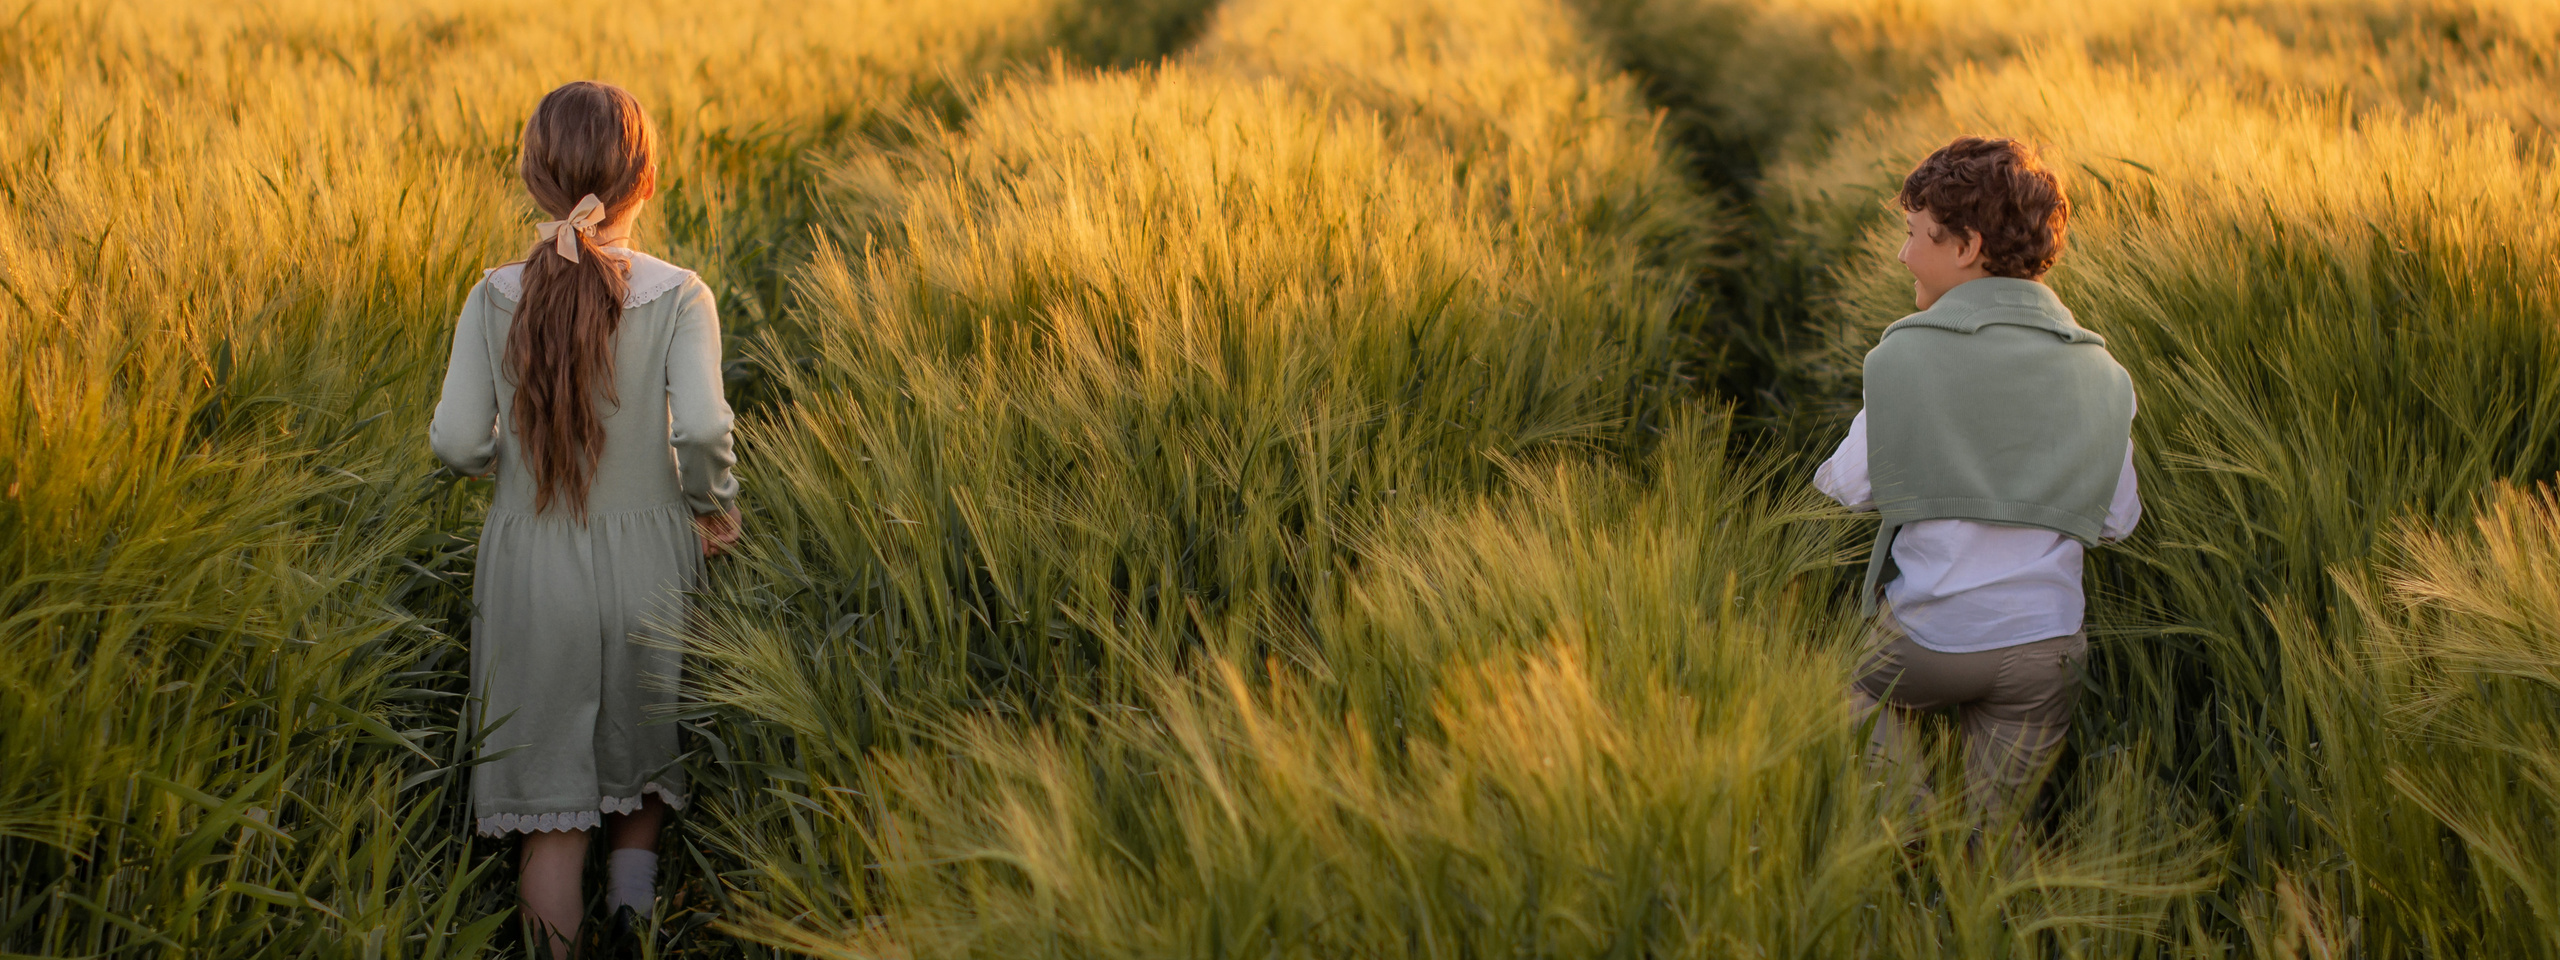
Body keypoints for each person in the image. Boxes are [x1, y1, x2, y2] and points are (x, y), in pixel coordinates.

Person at [430, 80, 741, 956]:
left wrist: (508, 462)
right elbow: (708, 427)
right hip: (649, 559)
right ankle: (634, 923)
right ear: (645, 181)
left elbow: (455, 441)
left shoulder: (492, 294)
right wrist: (715, 505)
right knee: (640, 760)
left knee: (553, 813)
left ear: (534, 178)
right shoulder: (682, 295)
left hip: (532, 567)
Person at [1813, 136, 2140, 826]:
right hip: (2044, 649)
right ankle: (1985, 884)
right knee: (1998, 839)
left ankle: (1912, 826)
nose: (1903, 255)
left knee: (1838, 687)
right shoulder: (2103, 374)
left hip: (1928, 642)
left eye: (1913, 235)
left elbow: (1847, 486)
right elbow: (2116, 522)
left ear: (1966, 247)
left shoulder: (1905, 359)